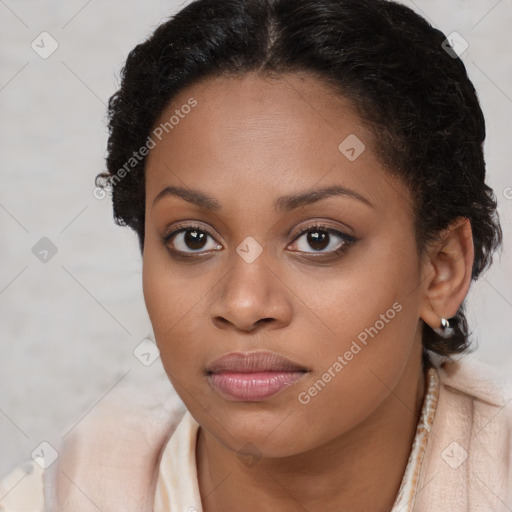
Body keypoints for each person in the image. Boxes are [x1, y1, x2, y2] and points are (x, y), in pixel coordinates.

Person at [1, 0, 511, 510]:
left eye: (318, 239)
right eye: (193, 239)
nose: (244, 305)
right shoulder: (64, 494)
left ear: (441, 269)